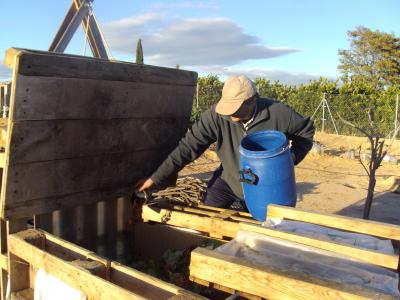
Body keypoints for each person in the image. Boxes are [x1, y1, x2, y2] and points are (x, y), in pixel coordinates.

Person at [135, 75, 315, 210]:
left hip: (267, 186)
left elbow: (306, 131)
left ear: (252, 101)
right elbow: (188, 147)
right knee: (208, 216)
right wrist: (155, 179)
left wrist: (291, 157)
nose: (230, 114)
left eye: (235, 108)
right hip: (229, 180)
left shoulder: (278, 113)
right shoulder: (216, 117)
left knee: (263, 234)